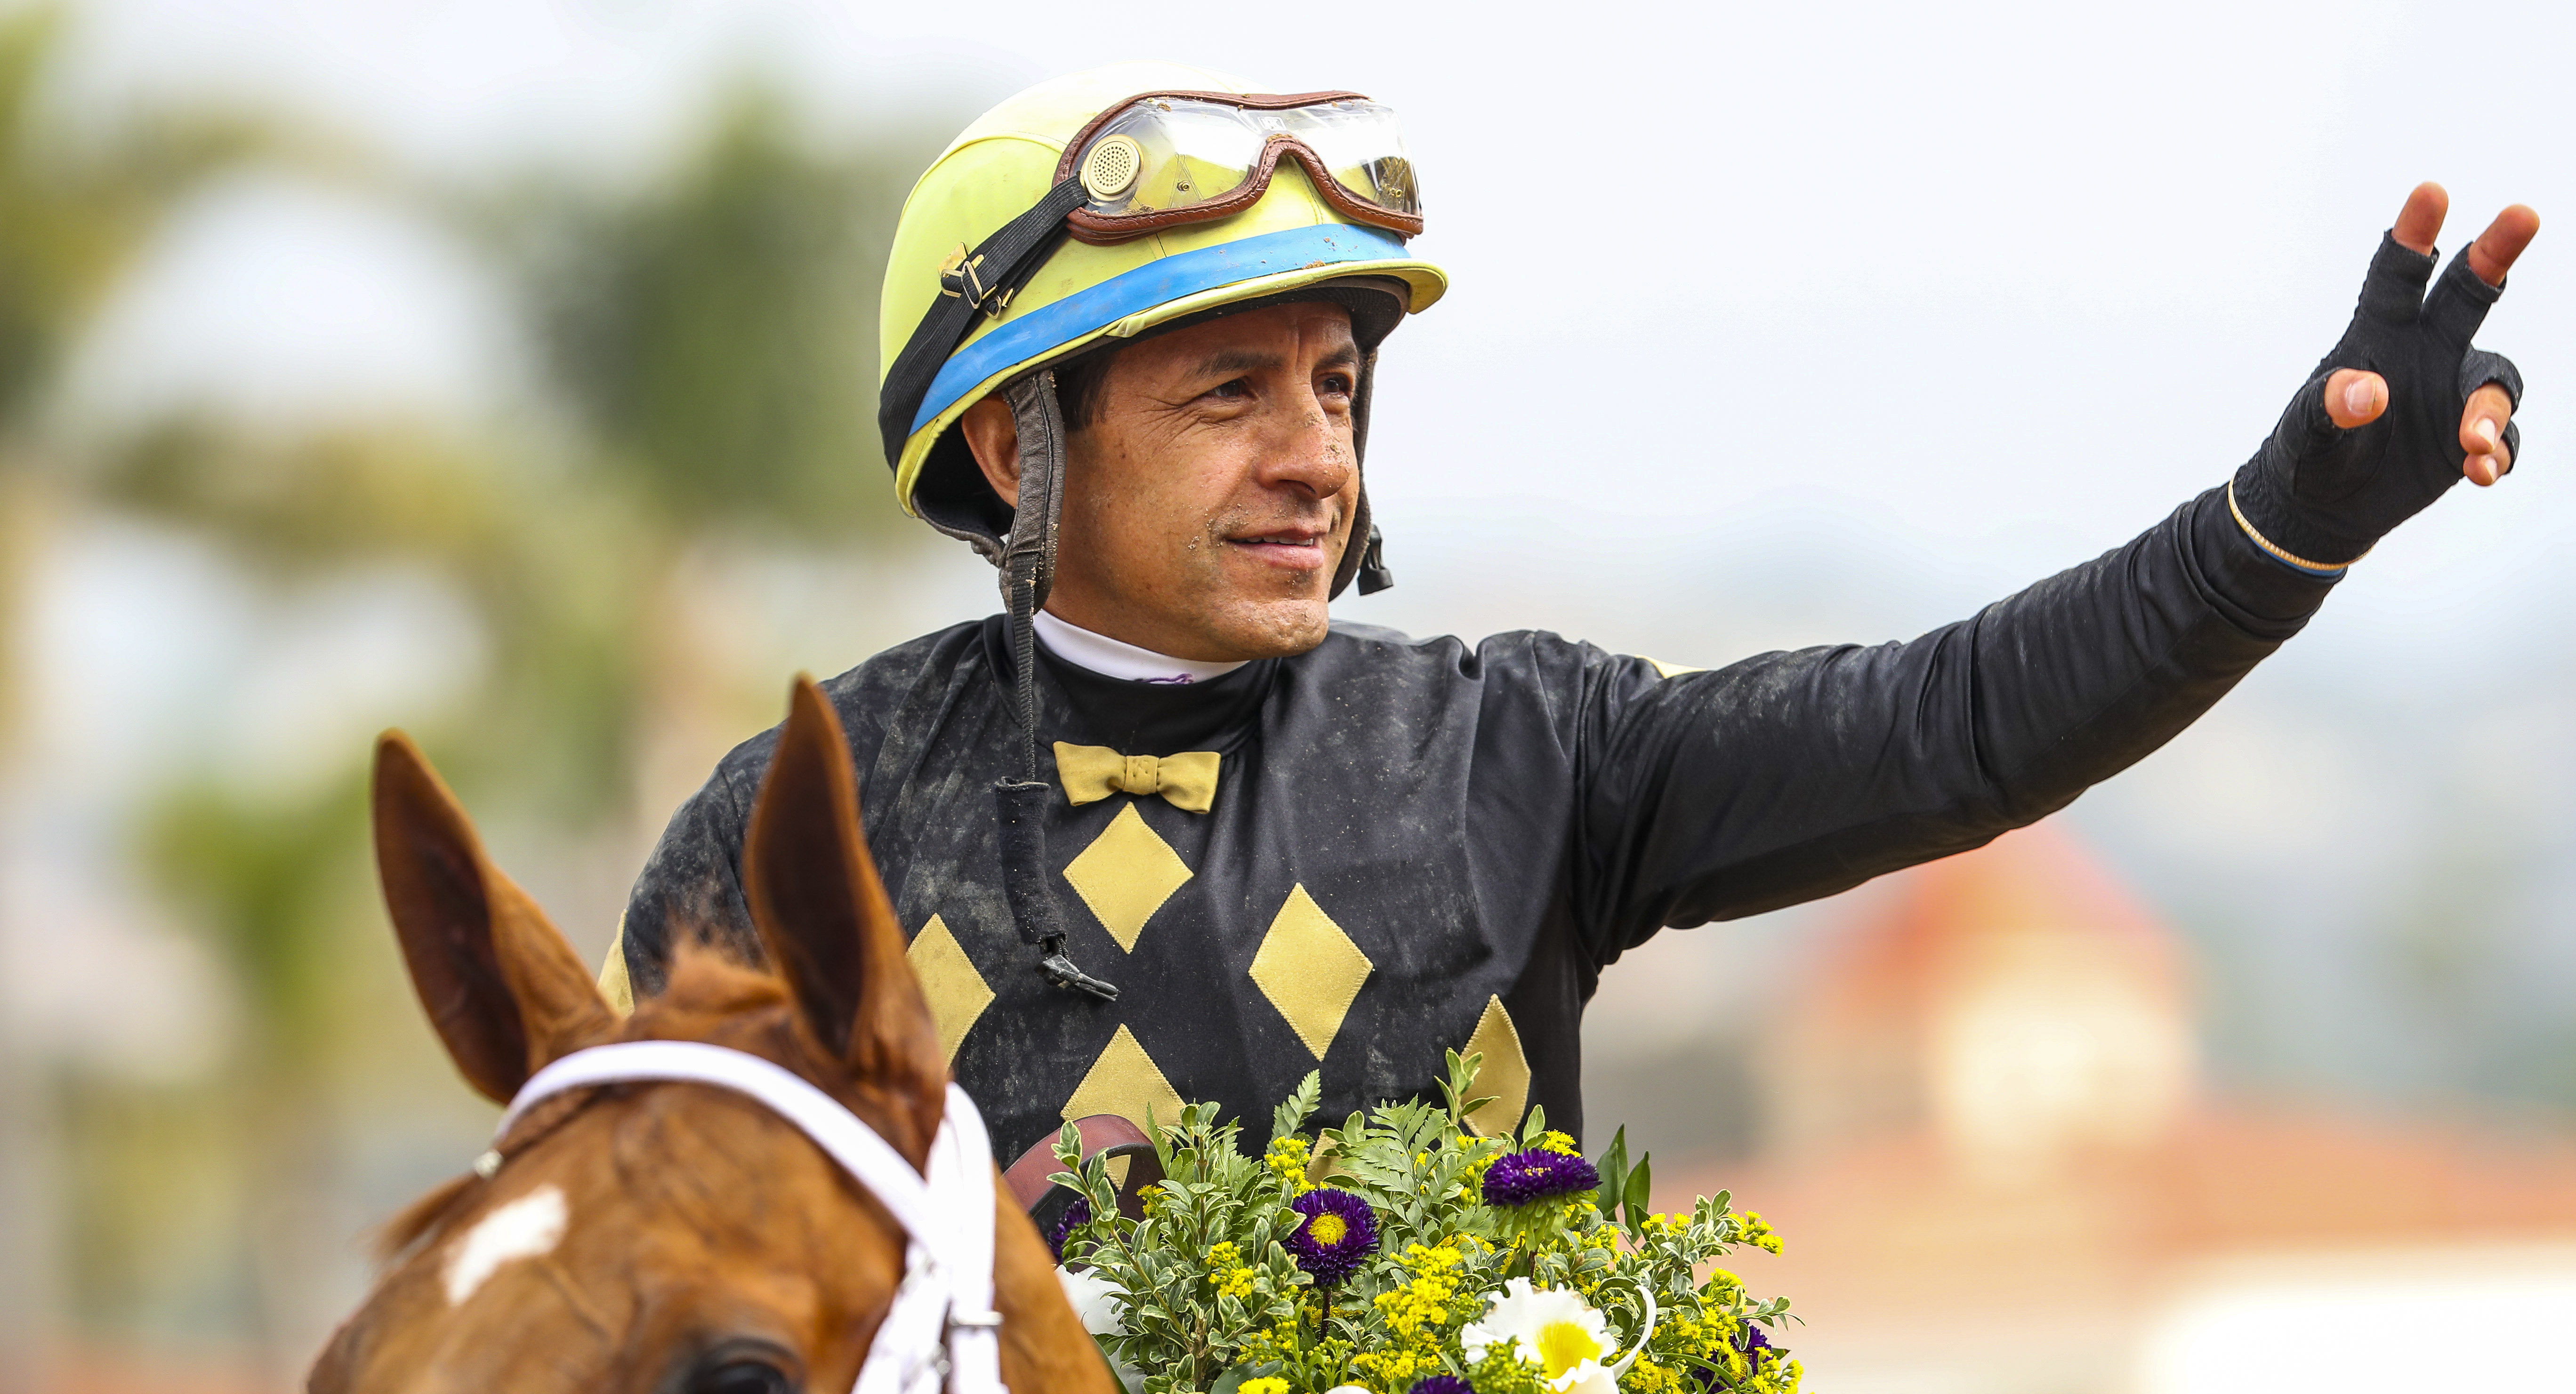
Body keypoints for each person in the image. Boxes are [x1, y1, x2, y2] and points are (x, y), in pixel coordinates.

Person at [608, 61, 2536, 1186]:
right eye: (1229, 398)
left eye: (1337, 391)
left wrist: (2278, 530)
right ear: (1018, 451)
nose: (1313, 461)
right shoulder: (794, 824)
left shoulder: (1520, 750)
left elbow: (1959, 730)